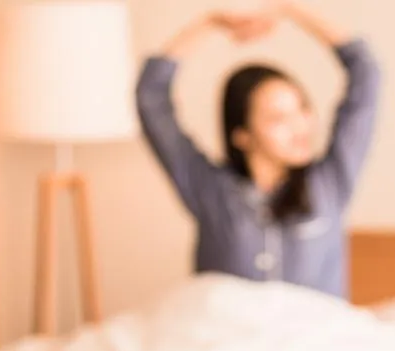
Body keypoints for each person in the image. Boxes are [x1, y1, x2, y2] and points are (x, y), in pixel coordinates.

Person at [135, 3, 380, 298]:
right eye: (277, 118)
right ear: (242, 136)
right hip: (230, 339)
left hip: (312, 341)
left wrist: (289, 9)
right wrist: (211, 23)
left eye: (302, 108)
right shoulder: (211, 191)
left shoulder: (329, 183)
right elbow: (151, 96)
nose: (299, 127)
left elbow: (365, 72)